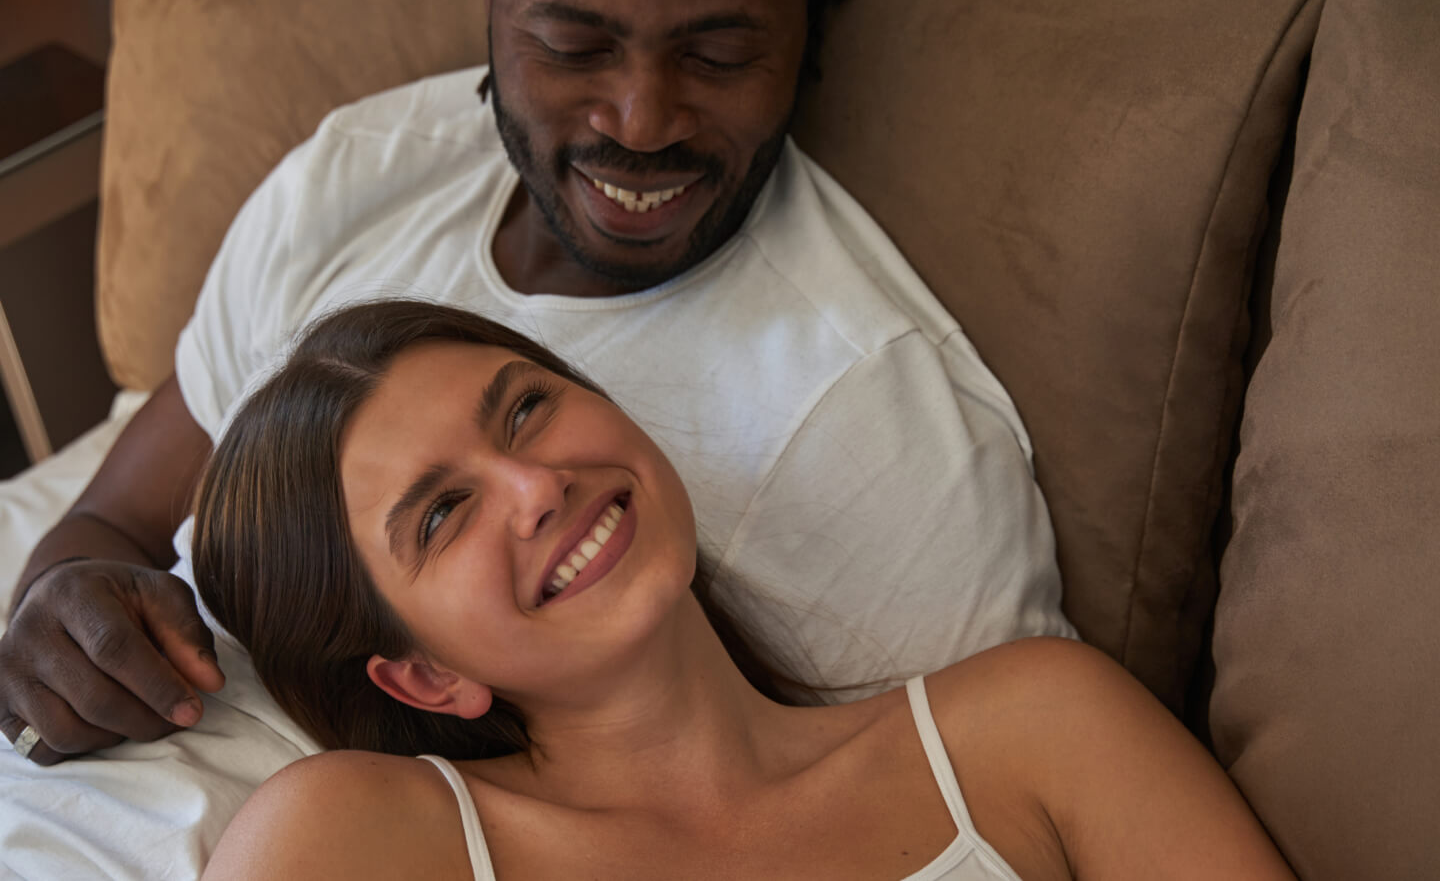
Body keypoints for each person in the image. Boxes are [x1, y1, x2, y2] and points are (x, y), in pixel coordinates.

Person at [3, 0, 1072, 773]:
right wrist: (67, 609)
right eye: (573, 44)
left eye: (716, 54)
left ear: (807, 26)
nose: (639, 119)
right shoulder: (361, 175)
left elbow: (982, 806)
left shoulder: (887, 445)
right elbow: (111, 516)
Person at [194, 300, 1294, 881]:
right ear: (426, 675)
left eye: (525, 410)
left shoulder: (1035, 729)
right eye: (442, 514)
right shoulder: (358, 836)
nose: (537, 486)